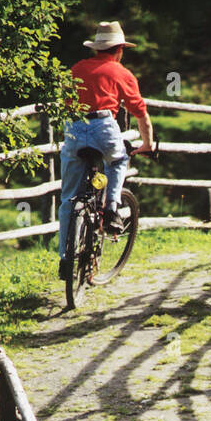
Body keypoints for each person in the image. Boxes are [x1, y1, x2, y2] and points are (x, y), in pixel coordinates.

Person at [58, 20, 155, 279]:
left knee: (68, 198)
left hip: (75, 128)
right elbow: (141, 113)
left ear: (97, 48)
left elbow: (65, 102)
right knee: (118, 160)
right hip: (103, 126)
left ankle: (64, 258)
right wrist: (147, 144)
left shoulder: (76, 68)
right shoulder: (121, 73)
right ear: (120, 49)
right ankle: (111, 209)